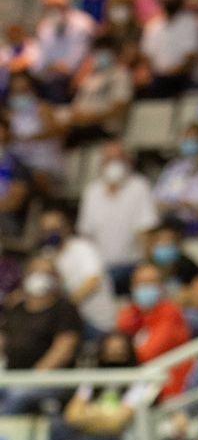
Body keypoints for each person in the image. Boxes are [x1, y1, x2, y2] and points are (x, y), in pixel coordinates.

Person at [0, 257, 81, 415]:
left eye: (46, 273)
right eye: (35, 272)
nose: (39, 277)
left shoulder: (65, 309)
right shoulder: (17, 309)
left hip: (50, 381)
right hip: (12, 378)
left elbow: (63, 350)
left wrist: (33, 379)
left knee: (17, 396)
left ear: (56, 278)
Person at [76, 142, 159, 294]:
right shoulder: (91, 192)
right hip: (100, 269)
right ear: (102, 164)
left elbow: (146, 230)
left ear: (129, 162)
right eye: (109, 159)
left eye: (119, 159)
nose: (114, 164)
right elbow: (86, 234)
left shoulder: (140, 186)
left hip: (131, 266)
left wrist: (145, 267)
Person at [116, 262, 192, 401]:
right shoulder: (130, 313)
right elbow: (116, 348)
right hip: (141, 387)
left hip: (172, 388)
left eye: (152, 283)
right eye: (142, 283)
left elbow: (149, 353)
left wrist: (124, 355)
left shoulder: (170, 312)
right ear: (133, 287)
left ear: (162, 287)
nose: (146, 288)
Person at [38, 207, 117, 337]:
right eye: (46, 231)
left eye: (55, 229)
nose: (51, 234)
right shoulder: (47, 255)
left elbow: (93, 281)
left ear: (66, 228)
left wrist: (65, 307)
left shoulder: (82, 247)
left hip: (96, 323)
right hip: (70, 321)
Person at [153, 125, 198, 231]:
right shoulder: (174, 166)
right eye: (187, 138)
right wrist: (171, 205)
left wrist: (187, 204)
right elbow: (159, 195)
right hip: (171, 221)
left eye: (194, 139)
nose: (190, 142)